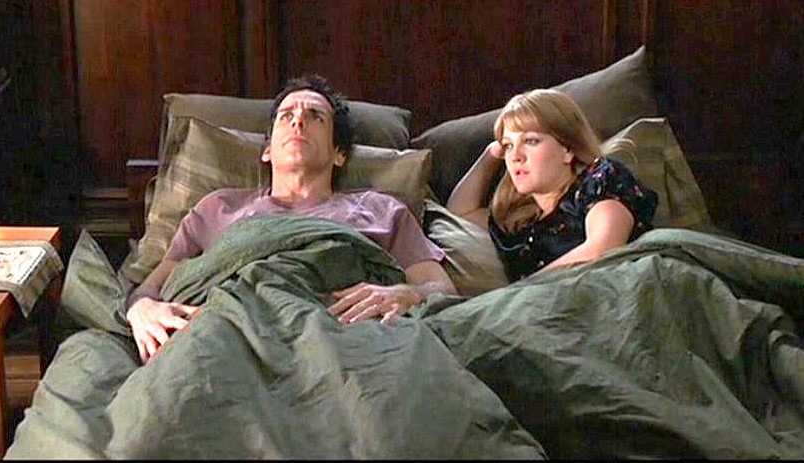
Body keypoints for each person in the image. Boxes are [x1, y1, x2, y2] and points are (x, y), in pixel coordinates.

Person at [126, 74, 458, 362]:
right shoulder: (218, 207)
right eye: (286, 116)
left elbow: (442, 289)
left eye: (315, 116)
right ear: (267, 150)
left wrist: (404, 294)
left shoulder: (381, 210)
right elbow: (152, 286)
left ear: (339, 153)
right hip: (230, 340)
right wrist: (142, 309)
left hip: (346, 341)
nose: (298, 121)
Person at [447, 88, 658, 282]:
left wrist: (516, 292)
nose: (516, 156)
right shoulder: (517, 221)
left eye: (530, 141)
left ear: (567, 149)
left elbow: (603, 248)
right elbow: (458, 214)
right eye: (509, 145)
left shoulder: (598, 181)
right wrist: (492, 154)